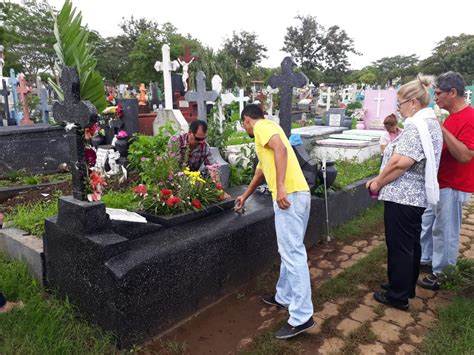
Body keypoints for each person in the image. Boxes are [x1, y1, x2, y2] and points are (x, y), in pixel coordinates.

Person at [234, 104, 314, 339]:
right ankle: (283, 296)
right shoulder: (268, 132)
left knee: (293, 253)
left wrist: (280, 188)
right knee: (290, 250)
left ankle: (301, 316)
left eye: (243, 124)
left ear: (247, 120)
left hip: (288, 197)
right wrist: (245, 196)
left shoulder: (261, 127)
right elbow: (260, 173)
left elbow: (281, 149)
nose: (245, 128)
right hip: (299, 195)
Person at [366, 74, 443, 310]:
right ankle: (403, 286)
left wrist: (378, 182)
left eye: (399, 104)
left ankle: (397, 296)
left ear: (412, 102)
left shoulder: (416, 126)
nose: (398, 110)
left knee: (400, 245)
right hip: (413, 197)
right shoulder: (429, 123)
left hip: (403, 197)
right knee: (410, 244)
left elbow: (402, 162)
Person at [418, 72, 474, 290]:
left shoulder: (469, 118)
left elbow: (465, 155)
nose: (436, 97)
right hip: (441, 182)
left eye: (439, 93)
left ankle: (443, 273)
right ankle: (427, 259)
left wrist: (441, 128)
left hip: (454, 184)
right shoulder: (452, 116)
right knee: (429, 224)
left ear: (453, 92)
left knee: (446, 230)